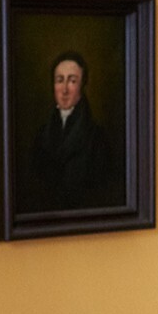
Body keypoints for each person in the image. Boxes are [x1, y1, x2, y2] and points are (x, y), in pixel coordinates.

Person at [29, 52, 109, 211]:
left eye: (72, 81)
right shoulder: (41, 135)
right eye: (60, 80)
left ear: (82, 85)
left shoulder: (96, 137)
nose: (64, 89)